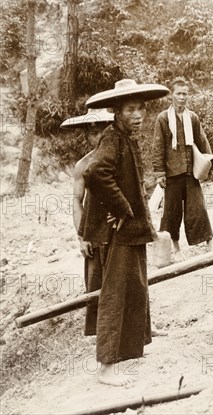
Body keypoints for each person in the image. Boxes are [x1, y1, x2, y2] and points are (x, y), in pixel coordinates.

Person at [81, 78, 170, 386]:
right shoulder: (111, 138)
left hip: (130, 227)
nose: (138, 115)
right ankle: (106, 366)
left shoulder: (125, 137)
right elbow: (96, 172)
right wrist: (121, 208)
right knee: (115, 293)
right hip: (116, 229)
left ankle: (139, 337)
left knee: (136, 280)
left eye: (141, 109)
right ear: (116, 111)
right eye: (131, 109)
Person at [60, 107, 113, 336]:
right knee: (96, 280)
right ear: (86, 135)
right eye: (92, 132)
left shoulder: (121, 158)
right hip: (94, 229)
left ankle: (142, 326)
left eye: (101, 130)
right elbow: (76, 199)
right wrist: (82, 236)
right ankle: (100, 330)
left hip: (120, 227)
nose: (97, 136)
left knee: (130, 278)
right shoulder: (83, 165)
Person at [152, 77, 213, 253]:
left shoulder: (192, 117)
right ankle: (175, 246)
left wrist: (209, 163)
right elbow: (158, 146)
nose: (182, 97)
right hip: (171, 174)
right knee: (171, 212)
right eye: (178, 93)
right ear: (171, 95)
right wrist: (159, 173)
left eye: (185, 94)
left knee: (198, 208)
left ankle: (209, 243)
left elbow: (202, 140)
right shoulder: (163, 118)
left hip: (190, 173)